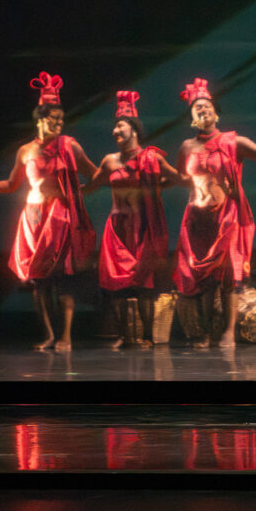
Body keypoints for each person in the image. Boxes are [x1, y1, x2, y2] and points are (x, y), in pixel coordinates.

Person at [0, 72, 97, 352]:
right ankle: (50, 335)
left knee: (63, 277)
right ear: (40, 119)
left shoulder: (70, 146)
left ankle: (66, 335)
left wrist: (83, 192)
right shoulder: (25, 151)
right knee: (38, 281)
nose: (59, 123)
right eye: (54, 118)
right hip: (33, 218)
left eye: (62, 119)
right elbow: (9, 184)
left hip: (60, 218)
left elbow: (95, 173)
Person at [174, 78, 256, 348]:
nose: (203, 110)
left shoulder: (233, 142)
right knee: (205, 281)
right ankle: (209, 330)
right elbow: (179, 178)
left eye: (207, 106)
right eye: (197, 107)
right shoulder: (187, 148)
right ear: (192, 116)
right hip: (198, 220)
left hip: (228, 218)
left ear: (215, 112)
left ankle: (229, 332)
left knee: (229, 277)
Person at [84, 90, 182, 348]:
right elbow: (91, 187)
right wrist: (63, 193)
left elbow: (177, 178)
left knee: (143, 285)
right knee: (116, 285)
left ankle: (147, 336)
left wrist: (157, 188)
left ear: (134, 129)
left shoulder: (152, 158)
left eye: (120, 125)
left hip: (143, 228)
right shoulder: (109, 161)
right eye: (115, 126)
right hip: (116, 228)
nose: (115, 130)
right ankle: (124, 337)